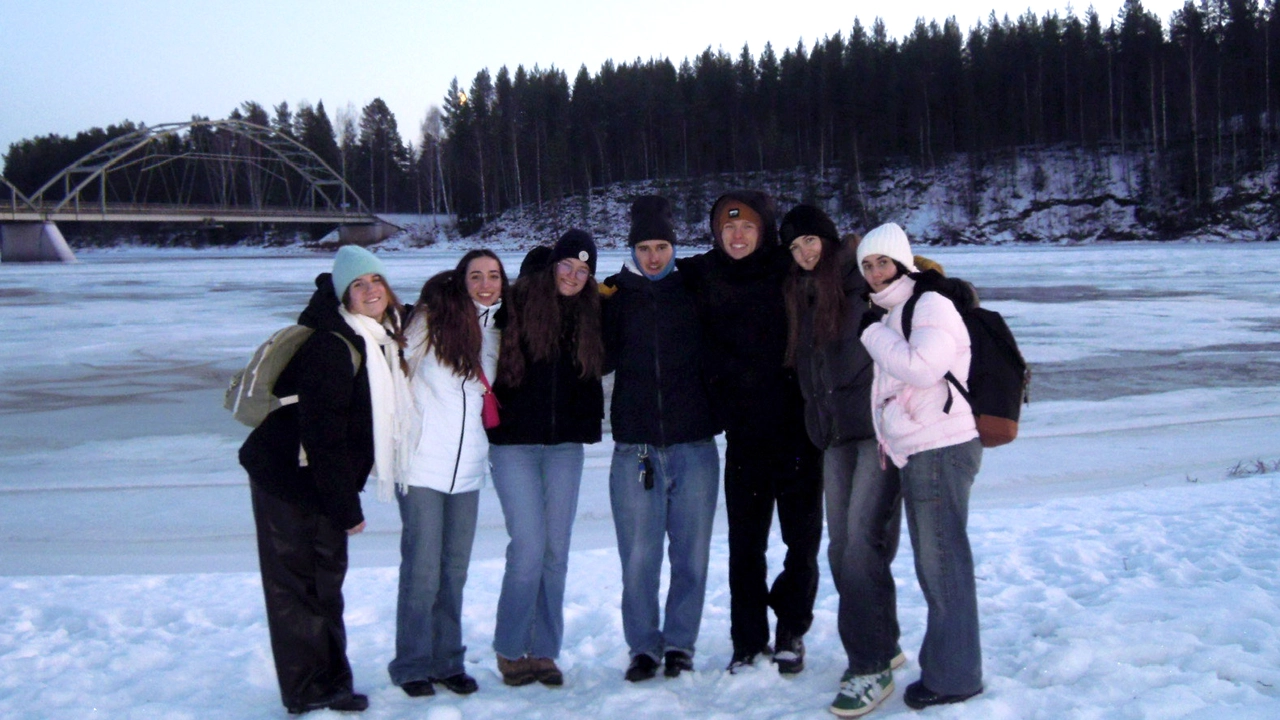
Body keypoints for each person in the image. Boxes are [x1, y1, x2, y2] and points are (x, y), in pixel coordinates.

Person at [240, 244, 409, 715]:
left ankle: (332, 680)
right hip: (287, 476)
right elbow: (324, 436)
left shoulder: (377, 335)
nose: (370, 290)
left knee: (325, 582)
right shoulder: (332, 346)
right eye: (358, 284)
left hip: (320, 477)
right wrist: (346, 508)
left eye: (376, 280)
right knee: (297, 587)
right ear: (344, 296)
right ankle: (307, 690)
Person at [677, 191, 824, 674]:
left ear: (764, 231)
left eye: (747, 227)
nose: (737, 235)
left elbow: (842, 270)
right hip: (744, 436)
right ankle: (747, 640)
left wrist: (927, 277)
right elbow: (653, 277)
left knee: (801, 542)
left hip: (799, 431)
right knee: (745, 547)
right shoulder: (704, 273)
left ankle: (791, 629)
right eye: (728, 227)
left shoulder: (790, 269)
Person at [780, 206, 904, 717]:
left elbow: (913, 291)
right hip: (833, 436)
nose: (804, 252)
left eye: (810, 240)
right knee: (841, 550)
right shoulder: (801, 292)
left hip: (875, 433)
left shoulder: (861, 282)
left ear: (828, 240)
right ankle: (884, 642)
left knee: (860, 549)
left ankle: (869, 665)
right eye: (795, 247)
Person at [856, 222, 984, 710]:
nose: (874, 273)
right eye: (867, 265)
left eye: (882, 262)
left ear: (903, 262)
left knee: (943, 563)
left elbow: (922, 368)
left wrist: (870, 333)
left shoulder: (928, 304)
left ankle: (954, 677)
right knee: (939, 564)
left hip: (940, 449)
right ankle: (950, 666)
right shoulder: (895, 310)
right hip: (923, 448)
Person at [601, 195, 721, 682]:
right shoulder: (614, 297)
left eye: (662, 247)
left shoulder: (695, 288)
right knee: (638, 559)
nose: (654, 257)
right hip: (636, 448)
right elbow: (595, 358)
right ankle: (643, 647)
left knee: (691, 557)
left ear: (675, 246)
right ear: (632, 249)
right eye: (645, 248)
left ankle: (679, 645)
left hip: (695, 444)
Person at [486, 231, 605, 687]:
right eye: (567, 266)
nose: (573, 276)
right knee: (528, 547)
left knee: (556, 551)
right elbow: (469, 315)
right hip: (514, 445)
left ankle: (544, 650)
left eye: (583, 270)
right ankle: (510, 647)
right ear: (552, 265)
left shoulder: (591, 313)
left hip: (564, 447)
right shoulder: (515, 305)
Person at [388, 249, 507, 699]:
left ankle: (447, 661)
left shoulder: (497, 331)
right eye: (476, 275)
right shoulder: (429, 321)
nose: (485, 284)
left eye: (493, 275)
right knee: (422, 571)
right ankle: (412, 665)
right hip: (422, 465)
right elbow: (394, 368)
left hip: (468, 470)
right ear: (461, 280)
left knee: (454, 571)